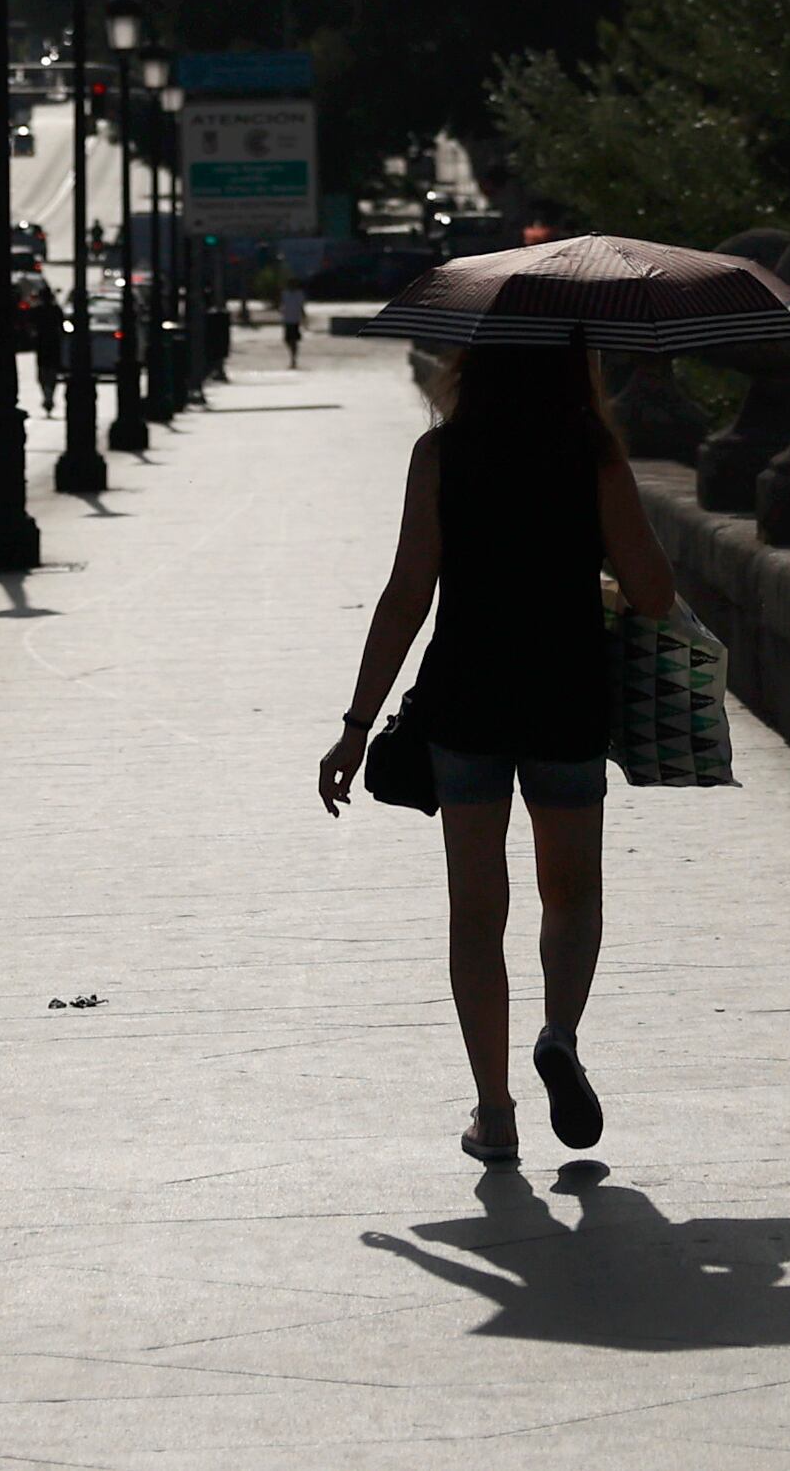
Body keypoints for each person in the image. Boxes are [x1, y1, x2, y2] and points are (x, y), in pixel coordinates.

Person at [315, 341, 680, 1164]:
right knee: (571, 891)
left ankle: (496, 1112)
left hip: (467, 702)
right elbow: (655, 594)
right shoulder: (592, 455)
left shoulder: (442, 454)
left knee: (477, 913)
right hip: (568, 699)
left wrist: (356, 724)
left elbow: (409, 591)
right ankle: (559, 1034)